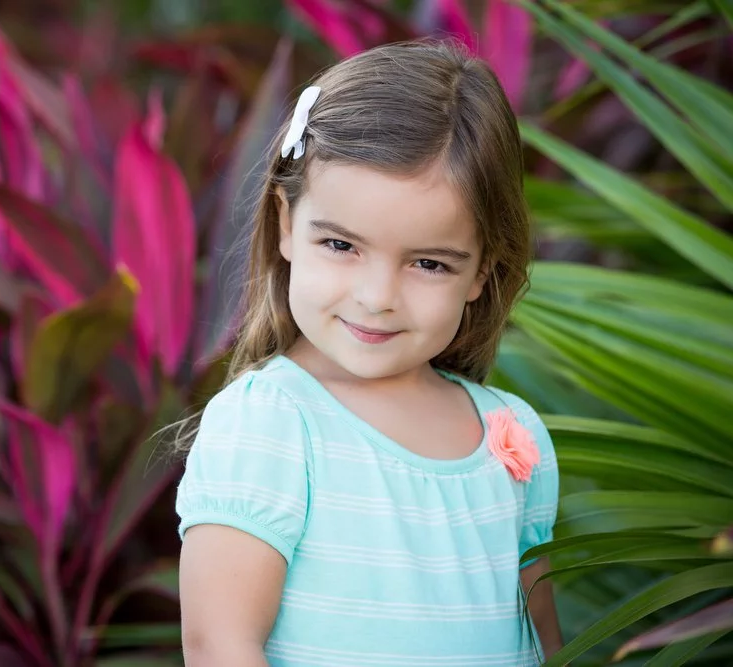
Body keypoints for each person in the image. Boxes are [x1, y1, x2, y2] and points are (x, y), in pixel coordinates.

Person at [175, 39, 562, 667]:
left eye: (429, 263)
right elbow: (220, 644)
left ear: (482, 272)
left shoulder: (512, 434)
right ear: (286, 225)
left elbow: (543, 638)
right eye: (341, 246)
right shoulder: (270, 422)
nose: (377, 297)